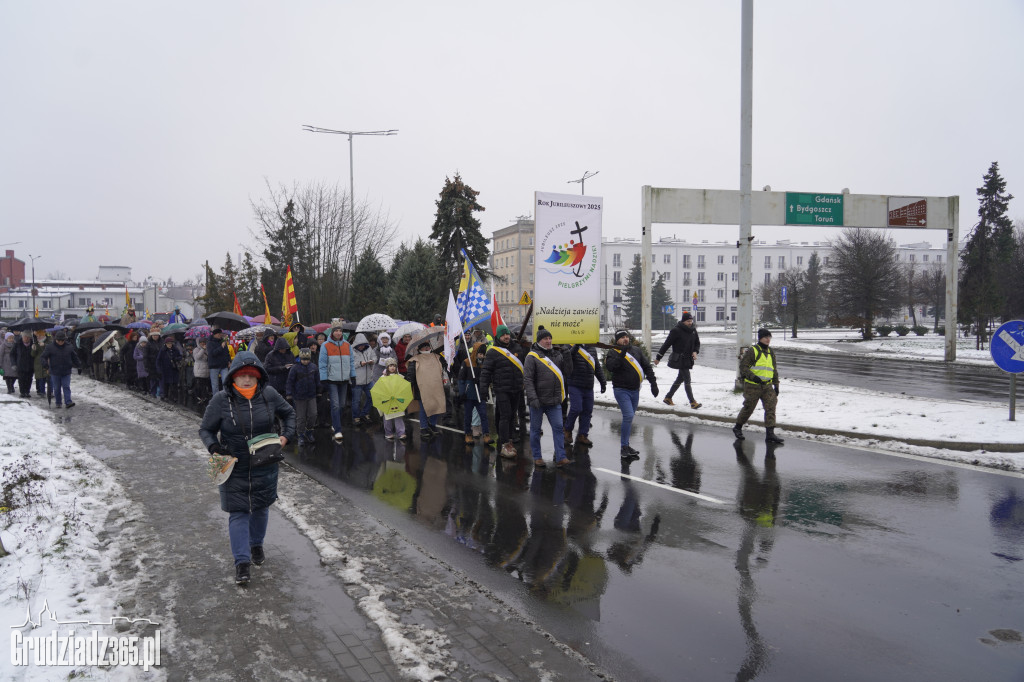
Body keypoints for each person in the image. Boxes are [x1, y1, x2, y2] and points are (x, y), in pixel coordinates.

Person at [199, 351, 295, 585]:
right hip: (235, 467)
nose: (247, 380)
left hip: (265, 465)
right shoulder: (221, 400)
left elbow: (289, 414)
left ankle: (256, 546)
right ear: (233, 377)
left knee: (261, 509)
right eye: (242, 375)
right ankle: (241, 563)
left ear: (258, 377)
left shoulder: (269, 395)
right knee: (239, 513)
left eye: (251, 375)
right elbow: (206, 429)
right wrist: (214, 448)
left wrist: (285, 437)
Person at [604, 330, 659, 460]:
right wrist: (622, 353)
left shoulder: (636, 350)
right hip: (621, 390)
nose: (625, 339)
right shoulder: (612, 352)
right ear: (617, 340)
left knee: (629, 418)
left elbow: (647, 367)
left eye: (626, 337)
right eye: (622, 337)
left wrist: (653, 383)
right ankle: (623, 447)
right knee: (628, 415)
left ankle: (627, 445)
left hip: (635, 390)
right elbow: (612, 367)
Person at [524, 329, 574, 468]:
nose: (548, 341)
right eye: (545, 339)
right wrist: (533, 398)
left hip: (554, 401)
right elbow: (528, 379)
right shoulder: (531, 356)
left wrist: (567, 355)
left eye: (550, 338)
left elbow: (568, 372)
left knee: (558, 428)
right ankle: (537, 457)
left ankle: (561, 457)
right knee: (535, 430)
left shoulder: (557, 355)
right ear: (539, 341)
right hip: (537, 402)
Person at [479, 324, 526, 460]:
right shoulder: (493, 352)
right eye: (503, 335)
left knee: (511, 415)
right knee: (506, 415)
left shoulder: (517, 348)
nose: (506, 337)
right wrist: (483, 389)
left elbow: (523, 366)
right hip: (501, 389)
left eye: (507, 334)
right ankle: (505, 445)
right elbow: (486, 372)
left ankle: (507, 438)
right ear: (498, 336)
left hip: (516, 388)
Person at [733, 329, 784, 445]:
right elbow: (743, 367)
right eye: (765, 337)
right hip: (753, 386)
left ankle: (770, 434)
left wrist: (776, 385)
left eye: (769, 337)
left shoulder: (771, 352)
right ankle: (737, 427)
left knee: (771, 408)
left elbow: (774, 370)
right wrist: (753, 377)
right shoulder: (753, 351)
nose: (768, 339)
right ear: (760, 338)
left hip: (767, 386)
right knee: (748, 408)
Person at [654, 311, 702, 408]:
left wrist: (695, 351)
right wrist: (658, 357)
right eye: (688, 321)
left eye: (691, 321)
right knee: (687, 379)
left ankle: (668, 397)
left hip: (688, 359)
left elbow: (697, 343)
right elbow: (666, 344)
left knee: (680, 378)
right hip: (680, 359)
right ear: (683, 321)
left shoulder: (693, 330)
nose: (690, 323)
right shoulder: (676, 330)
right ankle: (692, 402)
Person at [564, 342, 607, 447]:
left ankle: (583, 435)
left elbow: (596, 366)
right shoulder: (569, 345)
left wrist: (602, 382)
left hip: (588, 385)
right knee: (576, 408)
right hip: (574, 384)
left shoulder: (592, 348)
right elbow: (568, 358)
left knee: (587, 411)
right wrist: (576, 346)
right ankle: (567, 430)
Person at [319, 324, 355, 442]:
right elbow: (322, 363)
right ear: (332, 332)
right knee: (335, 405)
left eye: (340, 331)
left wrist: (353, 376)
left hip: (344, 379)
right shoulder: (326, 345)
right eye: (336, 331)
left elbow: (351, 362)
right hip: (332, 379)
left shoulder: (347, 345)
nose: (338, 333)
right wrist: (323, 378)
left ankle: (335, 422)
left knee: (342, 405)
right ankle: (338, 430)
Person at [407, 340, 447, 439]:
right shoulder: (415, 360)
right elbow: (411, 375)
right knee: (424, 408)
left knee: (436, 406)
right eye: (424, 347)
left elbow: (444, 368)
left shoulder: (437, 357)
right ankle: (423, 428)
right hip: (421, 388)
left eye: (428, 346)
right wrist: (409, 384)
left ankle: (432, 425)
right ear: (419, 349)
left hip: (436, 387)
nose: (426, 348)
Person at [458, 340, 491, 445]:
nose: (481, 356)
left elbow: (487, 378)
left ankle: (486, 434)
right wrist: (462, 392)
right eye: (480, 354)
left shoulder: (484, 364)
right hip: (469, 395)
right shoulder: (467, 362)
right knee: (468, 416)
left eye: (483, 354)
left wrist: (481, 382)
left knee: (483, 415)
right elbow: (461, 379)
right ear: (475, 352)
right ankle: (468, 434)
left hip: (480, 394)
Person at [286, 348, 320, 445]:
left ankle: (309, 431)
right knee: (301, 418)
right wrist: (289, 393)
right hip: (299, 396)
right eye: (304, 359)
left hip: (311, 395)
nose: (305, 361)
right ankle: (300, 434)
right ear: (300, 359)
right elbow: (290, 381)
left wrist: (319, 391)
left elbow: (317, 380)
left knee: (313, 415)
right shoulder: (295, 368)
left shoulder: (314, 367)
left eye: (307, 359)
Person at [40, 330, 81, 408]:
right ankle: (58, 402)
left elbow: (74, 357)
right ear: (56, 339)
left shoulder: (69, 347)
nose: (60, 342)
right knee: (57, 388)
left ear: (64, 340)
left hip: (66, 371)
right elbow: (42, 357)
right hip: (55, 371)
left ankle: (68, 402)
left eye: (62, 340)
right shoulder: (50, 347)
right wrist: (46, 366)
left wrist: (79, 365)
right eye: (58, 340)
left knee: (66, 386)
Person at [350, 333, 377, 425]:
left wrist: (373, 361)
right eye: (359, 345)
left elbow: (374, 357)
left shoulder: (369, 348)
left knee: (372, 396)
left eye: (363, 345)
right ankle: (356, 417)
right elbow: (349, 365)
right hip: (357, 381)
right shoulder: (351, 350)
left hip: (368, 379)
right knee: (356, 400)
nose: (361, 347)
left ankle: (364, 413)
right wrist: (360, 364)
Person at [377, 357, 408, 441]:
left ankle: (401, 433)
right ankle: (388, 433)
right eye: (390, 366)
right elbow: (380, 390)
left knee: (398, 416)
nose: (392, 367)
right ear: (387, 367)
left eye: (394, 365)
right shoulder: (383, 378)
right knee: (388, 418)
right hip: (387, 400)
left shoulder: (400, 377)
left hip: (397, 400)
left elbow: (403, 388)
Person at [156, 335, 182, 401]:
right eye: (168, 343)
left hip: (174, 369)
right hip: (165, 369)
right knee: (166, 384)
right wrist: (159, 369)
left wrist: (176, 359)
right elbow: (158, 360)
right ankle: (165, 396)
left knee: (174, 384)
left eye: (171, 343)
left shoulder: (175, 349)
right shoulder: (162, 350)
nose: (170, 345)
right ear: (166, 344)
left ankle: (175, 397)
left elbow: (180, 356)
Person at [207, 328, 231, 394]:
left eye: (221, 334)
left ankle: (225, 397)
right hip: (214, 366)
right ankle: (216, 399)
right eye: (219, 334)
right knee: (215, 385)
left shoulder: (223, 342)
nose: (220, 335)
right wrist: (221, 347)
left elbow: (227, 352)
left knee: (225, 382)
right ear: (215, 334)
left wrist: (229, 361)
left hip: (224, 365)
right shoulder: (210, 343)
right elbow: (213, 353)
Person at [13, 331, 36, 398]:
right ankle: (22, 392)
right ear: (22, 337)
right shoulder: (18, 344)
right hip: (20, 365)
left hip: (30, 365)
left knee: (29, 379)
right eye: (25, 337)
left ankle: (27, 391)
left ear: (30, 338)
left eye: (28, 337)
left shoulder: (33, 344)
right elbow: (12, 354)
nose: (26, 339)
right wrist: (14, 363)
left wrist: (34, 349)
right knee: (21, 379)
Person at [192, 336, 210, 402]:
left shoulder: (207, 349)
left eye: (204, 342)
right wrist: (202, 349)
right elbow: (197, 358)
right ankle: (197, 396)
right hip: (199, 370)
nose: (202, 343)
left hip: (206, 369)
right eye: (201, 342)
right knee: (199, 385)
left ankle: (204, 397)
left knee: (205, 385)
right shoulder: (196, 349)